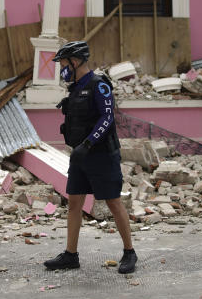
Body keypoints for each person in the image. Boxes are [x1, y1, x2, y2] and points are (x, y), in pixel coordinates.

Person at [43, 40, 137, 274]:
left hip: (102, 155)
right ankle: (70, 255)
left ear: (75, 62)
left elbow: (107, 118)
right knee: (74, 203)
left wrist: (88, 143)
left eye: (64, 64)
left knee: (113, 202)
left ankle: (129, 253)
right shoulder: (75, 87)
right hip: (80, 156)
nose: (62, 69)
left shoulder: (99, 85)